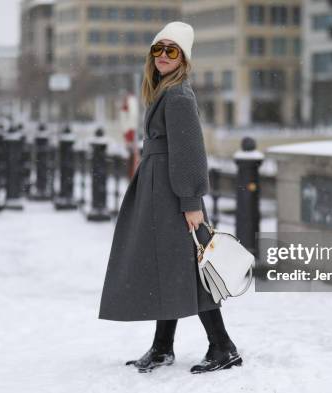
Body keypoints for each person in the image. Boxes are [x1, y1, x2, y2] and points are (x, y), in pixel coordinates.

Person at [97, 21, 242, 374]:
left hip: (173, 196)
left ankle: (222, 346)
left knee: (193, 269)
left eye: (171, 50)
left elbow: (191, 152)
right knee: (169, 269)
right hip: (161, 193)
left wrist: (191, 203)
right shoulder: (165, 90)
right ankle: (163, 347)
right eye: (158, 49)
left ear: (184, 58)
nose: (163, 56)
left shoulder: (178, 95)